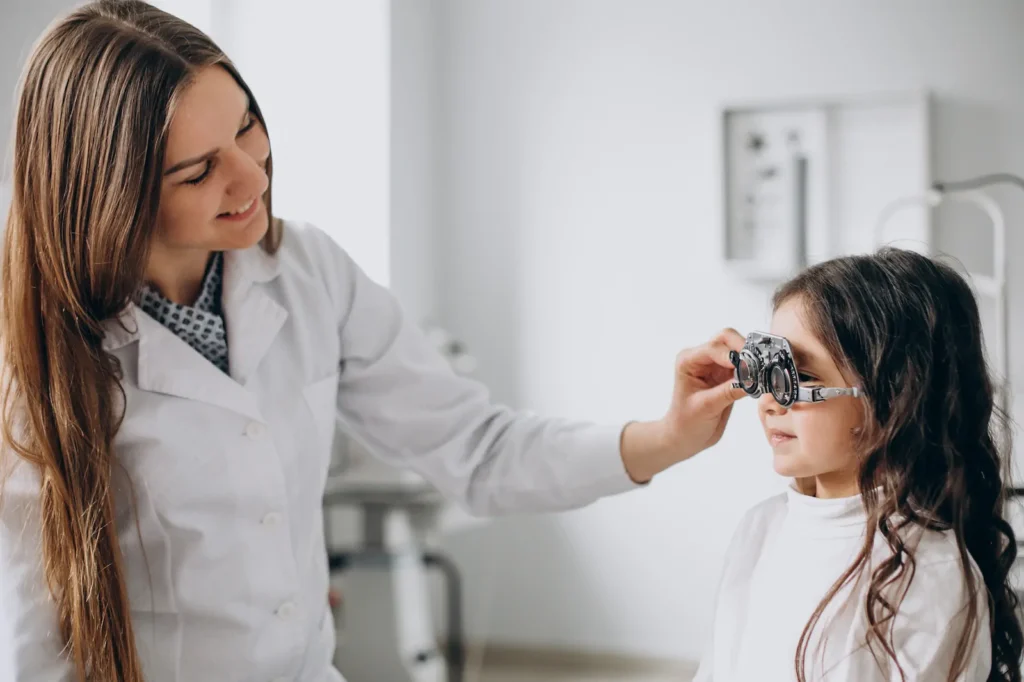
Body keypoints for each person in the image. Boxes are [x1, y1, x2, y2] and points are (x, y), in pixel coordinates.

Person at [0, 2, 747, 681]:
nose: (249, 174)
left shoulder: (304, 270)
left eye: (245, 126)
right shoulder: (42, 356)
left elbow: (477, 449)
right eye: (198, 172)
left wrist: (669, 436)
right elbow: (40, 629)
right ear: (111, 195)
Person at [693, 248, 1023, 682]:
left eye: (801, 377)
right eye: (767, 371)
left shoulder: (929, 574)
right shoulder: (759, 530)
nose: (770, 402)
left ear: (895, 396)